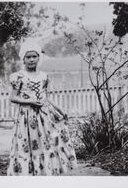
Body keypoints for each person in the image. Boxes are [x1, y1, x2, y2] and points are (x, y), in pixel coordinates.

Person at [7, 40, 77, 176]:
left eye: (34, 56)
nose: (32, 60)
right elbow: (13, 98)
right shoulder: (19, 77)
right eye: (28, 57)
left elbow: (46, 97)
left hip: (44, 115)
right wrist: (31, 101)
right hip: (27, 117)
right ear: (23, 59)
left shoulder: (44, 76)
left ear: (39, 57)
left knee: (48, 143)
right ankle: (30, 174)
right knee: (30, 145)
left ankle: (46, 172)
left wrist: (60, 110)